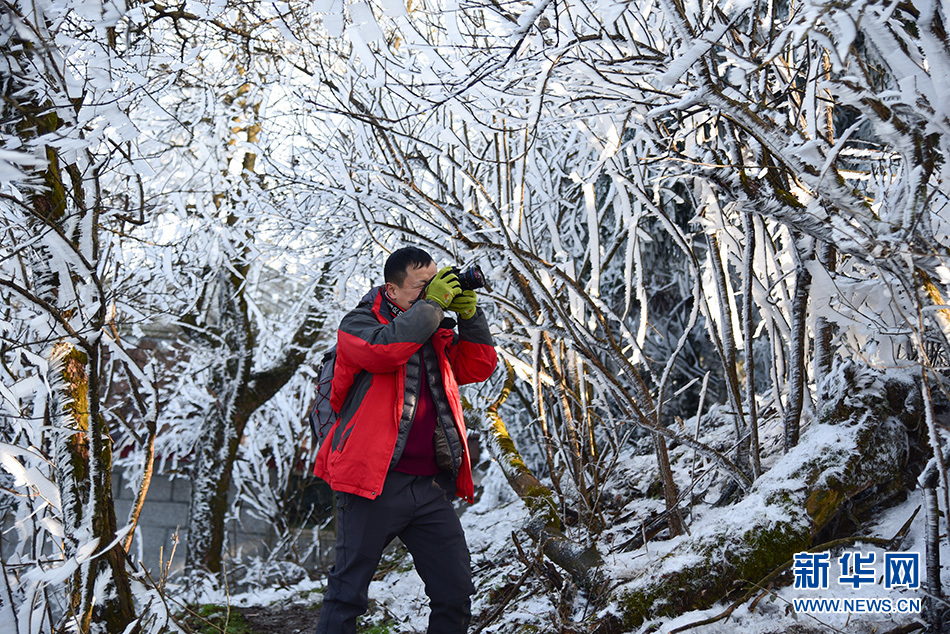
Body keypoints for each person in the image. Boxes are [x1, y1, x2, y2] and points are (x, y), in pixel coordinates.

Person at [313, 246, 497, 634]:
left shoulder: (435, 330)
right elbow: (386, 352)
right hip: (372, 484)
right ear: (392, 290)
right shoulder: (359, 324)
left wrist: (469, 314)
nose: (435, 292)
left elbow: (478, 367)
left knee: (455, 590)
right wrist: (432, 306)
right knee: (348, 592)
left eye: (437, 282)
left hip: (428, 486)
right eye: (423, 286)